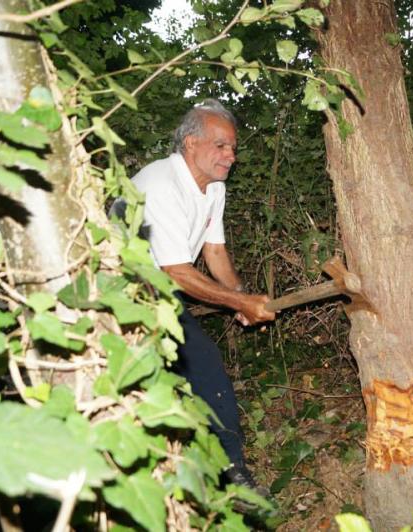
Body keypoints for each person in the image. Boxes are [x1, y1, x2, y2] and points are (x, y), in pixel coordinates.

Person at [128, 99, 275, 490]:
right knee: (186, 369)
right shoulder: (161, 184)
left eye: (233, 148)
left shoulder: (213, 188)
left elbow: (214, 252)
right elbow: (175, 271)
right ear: (190, 143)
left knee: (195, 368)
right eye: (221, 146)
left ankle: (225, 472)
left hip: (158, 293)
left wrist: (240, 298)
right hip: (121, 295)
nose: (231, 156)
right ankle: (216, 476)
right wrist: (239, 303)